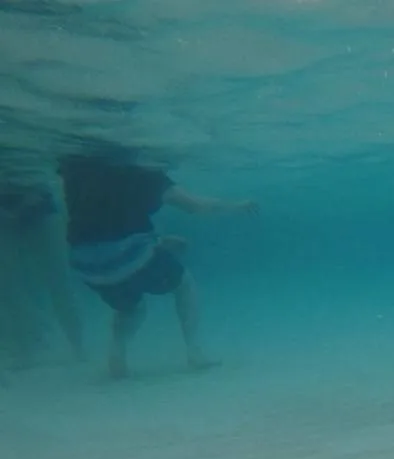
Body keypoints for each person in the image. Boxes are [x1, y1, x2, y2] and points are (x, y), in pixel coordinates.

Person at [58, 149, 258, 379]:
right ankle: (195, 352)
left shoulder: (77, 169)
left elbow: (98, 224)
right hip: (128, 258)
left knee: (132, 308)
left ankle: (117, 354)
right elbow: (197, 206)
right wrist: (237, 205)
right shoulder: (148, 175)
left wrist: (157, 242)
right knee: (184, 284)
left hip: (85, 265)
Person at [0, 178, 84, 369]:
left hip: (39, 205)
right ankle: (26, 350)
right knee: (9, 287)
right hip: (21, 206)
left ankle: (78, 346)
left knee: (58, 282)